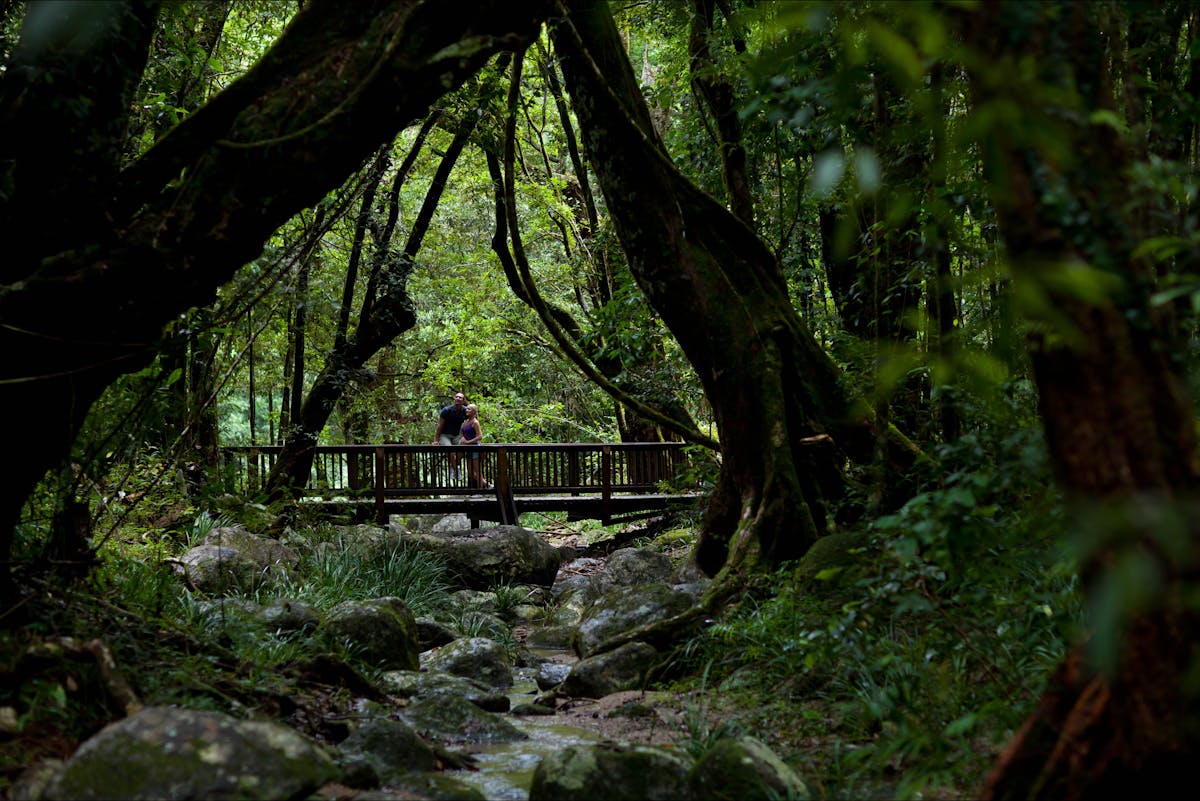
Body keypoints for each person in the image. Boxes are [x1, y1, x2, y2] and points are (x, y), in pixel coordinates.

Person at [432, 392, 468, 480]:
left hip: (456, 436)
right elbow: (439, 425)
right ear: (454, 399)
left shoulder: (465, 410)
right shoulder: (446, 410)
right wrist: (436, 440)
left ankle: (454, 467)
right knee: (449, 449)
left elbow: (472, 420)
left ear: (463, 401)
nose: (458, 398)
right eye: (456, 397)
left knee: (463, 447)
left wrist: (466, 436)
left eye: (460, 397)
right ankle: (457, 470)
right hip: (444, 435)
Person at [460, 403, 489, 489]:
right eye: (467, 409)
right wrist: (463, 439)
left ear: (474, 412)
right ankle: (487, 485)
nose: (466, 410)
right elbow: (464, 434)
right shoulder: (466, 421)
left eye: (469, 409)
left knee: (477, 470)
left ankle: (480, 490)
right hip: (468, 448)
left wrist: (468, 442)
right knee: (470, 472)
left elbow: (480, 436)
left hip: (475, 448)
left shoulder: (475, 422)